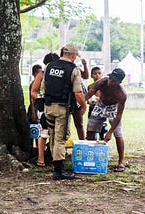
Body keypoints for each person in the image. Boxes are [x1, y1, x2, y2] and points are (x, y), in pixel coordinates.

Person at [43, 43, 86, 180]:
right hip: (62, 108)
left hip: (48, 106)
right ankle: (58, 171)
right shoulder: (73, 69)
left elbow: (44, 87)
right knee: (61, 138)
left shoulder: (49, 66)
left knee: (53, 135)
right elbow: (78, 92)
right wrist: (83, 105)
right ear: (73, 55)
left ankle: (55, 164)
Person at [85, 68, 127, 172]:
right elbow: (91, 91)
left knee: (118, 133)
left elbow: (119, 115)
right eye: (111, 78)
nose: (111, 81)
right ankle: (91, 157)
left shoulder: (121, 94)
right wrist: (83, 101)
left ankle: (121, 161)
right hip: (100, 104)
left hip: (113, 107)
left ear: (119, 82)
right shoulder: (103, 81)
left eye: (114, 80)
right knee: (91, 129)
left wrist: (110, 132)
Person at [31, 52, 59, 167]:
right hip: (43, 106)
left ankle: (54, 157)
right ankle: (41, 158)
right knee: (43, 132)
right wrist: (41, 97)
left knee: (57, 133)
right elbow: (34, 91)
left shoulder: (60, 74)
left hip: (57, 106)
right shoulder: (41, 75)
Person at [60, 47, 89, 140]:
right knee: (63, 125)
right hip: (65, 99)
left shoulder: (74, 67)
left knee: (79, 122)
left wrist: (84, 64)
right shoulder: (61, 66)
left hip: (75, 100)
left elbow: (86, 76)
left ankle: (82, 141)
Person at [87, 66, 107, 140]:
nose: (97, 75)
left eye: (99, 73)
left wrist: (99, 99)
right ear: (91, 75)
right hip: (92, 110)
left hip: (102, 110)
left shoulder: (105, 86)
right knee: (91, 129)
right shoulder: (90, 87)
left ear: (102, 75)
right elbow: (87, 98)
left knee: (103, 129)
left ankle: (103, 142)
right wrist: (90, 101)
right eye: (95, 73)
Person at [27, 64, 43, 147]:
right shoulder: (33, 84)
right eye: (38, 73)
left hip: (40, 108)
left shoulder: (41, 84)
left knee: (39, 129)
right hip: (34, 108)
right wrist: (33, 112)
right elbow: (32, 100)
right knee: (33, 129)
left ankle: (38, 147)